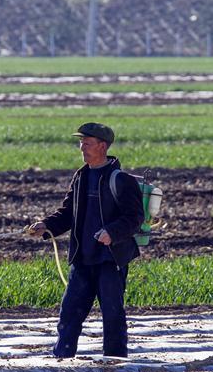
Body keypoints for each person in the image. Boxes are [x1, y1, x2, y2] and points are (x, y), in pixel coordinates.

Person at [27, 122, 144, 359]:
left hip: (110, 261)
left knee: (112, 316)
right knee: (69, 314)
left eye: (87, 143)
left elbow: (135, 218)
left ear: (102, 146)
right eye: (81, 143)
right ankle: (61, 359)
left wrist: (112, 232)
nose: (82, 148)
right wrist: (46, 226)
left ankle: (116, 362)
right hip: (82, 258)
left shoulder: (122, 180)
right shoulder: (80, 176)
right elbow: (68, 213)